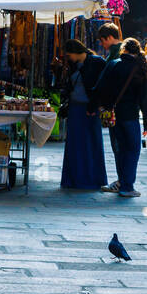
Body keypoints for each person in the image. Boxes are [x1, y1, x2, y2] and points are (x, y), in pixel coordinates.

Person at [90, 36, 147, 198]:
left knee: (120, 150)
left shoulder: (113, 65)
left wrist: (92, 107)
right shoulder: (140, 68)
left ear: (124, 50)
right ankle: (127, 186)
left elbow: (99, 88)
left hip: (113, 115)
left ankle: (122, 182)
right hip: (131, 115)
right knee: (133, 149)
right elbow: (144, 98)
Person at [58, 39, 108, 190]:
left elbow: (102, 86)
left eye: (69, 54)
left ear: (76, 52)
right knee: (74, 145)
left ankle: (91, 179)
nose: (69, 58)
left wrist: (96, 105)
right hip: (75, 108)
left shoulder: (97, 62)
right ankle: (74, 179)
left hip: (89, 108)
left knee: (90, 143)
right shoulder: (72, 65)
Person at [96, 23, 125, 192]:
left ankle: (122, 181)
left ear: (108, 38)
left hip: (116, 107)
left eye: (102, 41)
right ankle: (123, 181)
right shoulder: (119, 52)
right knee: (120, 146)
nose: (102, 45)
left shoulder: (116, 54)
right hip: (124, 107)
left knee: (118, 146)